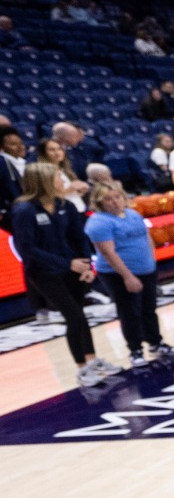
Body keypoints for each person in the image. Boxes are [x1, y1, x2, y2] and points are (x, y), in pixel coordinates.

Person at [11, 161, 115, 384]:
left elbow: (79, 238)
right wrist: (68, 264)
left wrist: (87, 266)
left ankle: (93, 360)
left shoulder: (65, 205)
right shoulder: (24, 210)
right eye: (58, 177)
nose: (62, 181)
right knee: (74, 316)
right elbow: (27, 249)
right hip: (44, 272)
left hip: (73, 268)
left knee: (80, 316)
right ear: (44, 181)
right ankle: (81, 368)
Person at [85, 181, 167, 367]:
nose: (114, 202)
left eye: (117, 197)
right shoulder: (98, 222)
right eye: (108, 199)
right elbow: (108, 252)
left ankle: (156, 343)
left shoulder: (133, 214)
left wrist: (151, 261)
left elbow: (146, 237)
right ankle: (135, 350)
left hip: (146, 270)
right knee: (130, 312)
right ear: (99, 202)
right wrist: (127, 276)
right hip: (118, 274)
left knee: (149, 308)